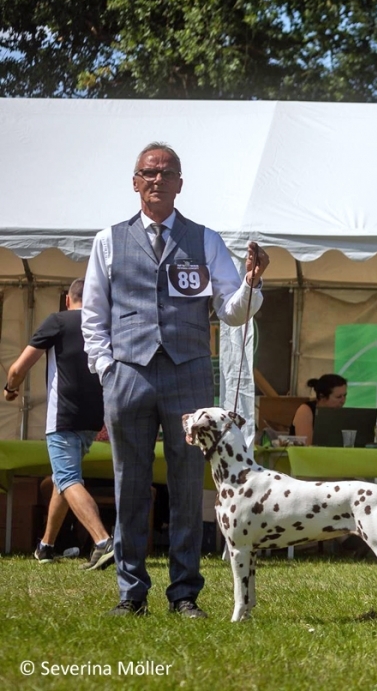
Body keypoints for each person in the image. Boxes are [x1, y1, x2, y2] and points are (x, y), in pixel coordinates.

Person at [82, 142, 268, 617]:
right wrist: (106, 370)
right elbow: (93, 316)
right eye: (148, 173)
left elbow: (231, 313)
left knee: (187, 486)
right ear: (135, 181)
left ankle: (184, 593)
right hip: (128, 374)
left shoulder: (204, 239)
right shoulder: (108, 240)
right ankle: (131, 592)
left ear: (180, 183)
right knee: (130, 483)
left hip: (188, 376)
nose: (157, 181)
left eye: (166, 174)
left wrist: (251, 283)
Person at [4, 279, 114, 569]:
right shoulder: (104, 325)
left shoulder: (58, 321)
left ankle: (103, 541)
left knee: (67, 479)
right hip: (93, 417)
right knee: (62, 478)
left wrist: (10, 388)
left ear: (68, 299)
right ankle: (46, 545)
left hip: (63, 414)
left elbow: (19, 367)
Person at [291, 374, 348, 444]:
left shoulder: (339, 413)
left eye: (344, 396)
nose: (343, 401)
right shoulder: (306, 410)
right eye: (338, 397)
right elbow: (305, 445)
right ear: (322, 397)